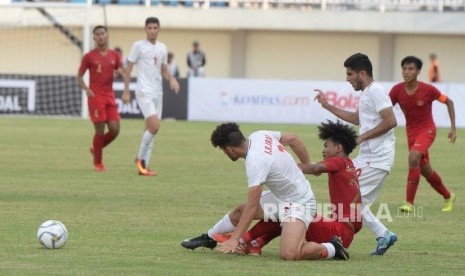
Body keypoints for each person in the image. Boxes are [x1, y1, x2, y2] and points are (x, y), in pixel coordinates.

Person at [181, 122, 349, 261]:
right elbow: (294, 139)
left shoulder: (255, 162)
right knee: (240, 210)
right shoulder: (258, 135)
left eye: (223, 150)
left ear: (229, 149)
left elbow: (253, 207)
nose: (225, 153)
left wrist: (234, 239)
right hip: (280, 197)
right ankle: (209, 238)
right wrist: (307, 165)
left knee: (289, 254)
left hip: (299, 202)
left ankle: (332, 247)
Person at [314, 53, 398, 256]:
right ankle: (383, 234)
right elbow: (356, 118)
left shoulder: (376, 91)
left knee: (350, 201)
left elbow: (391, 121)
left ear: (362, 73)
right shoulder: (367, 94)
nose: (347, 78)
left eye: (350, 74)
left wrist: (362, 138)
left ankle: (346, 237)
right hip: (367, 157)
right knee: (354, 202)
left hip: (377, 158)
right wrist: (327, 105)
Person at [390, 56, 456, 213]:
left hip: (427, 129)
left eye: (411, 69)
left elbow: (449, 101)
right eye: (404, 69)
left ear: (418, 71)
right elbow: (385, 109)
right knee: (426, 170)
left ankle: (409, 203)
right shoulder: (397, 90)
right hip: (411, 133)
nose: (406, 72)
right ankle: (448, 196)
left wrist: (452, 127)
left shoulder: (428, 90)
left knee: (413, 157)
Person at [122, 17, 180, 176]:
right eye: (150, 28)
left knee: (150, 130)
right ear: (145, 29)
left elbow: (163, 68)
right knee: (154, 126)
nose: (152, 30)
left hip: (158, 92)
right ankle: (139, 159)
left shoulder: (162, 48)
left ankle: (144, 166)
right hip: (143, 91)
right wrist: (126, 91)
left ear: (159, 29)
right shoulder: (138, 46)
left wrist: (172, 79)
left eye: (155, 28)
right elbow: (128, 68)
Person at [77, 25, 123, 172]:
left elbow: (119, 70)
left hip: (109, 96)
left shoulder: (115, 55)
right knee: (100, 129)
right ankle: (98, 164)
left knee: (115, 129)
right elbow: (79, 77)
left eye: (103, 33)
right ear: (94, 38)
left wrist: (120, 73)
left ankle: (95, 148)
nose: (100, 36)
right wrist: (86, 89)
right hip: (95, 96)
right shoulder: (89, 56)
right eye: (97, 34)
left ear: (106, 35)